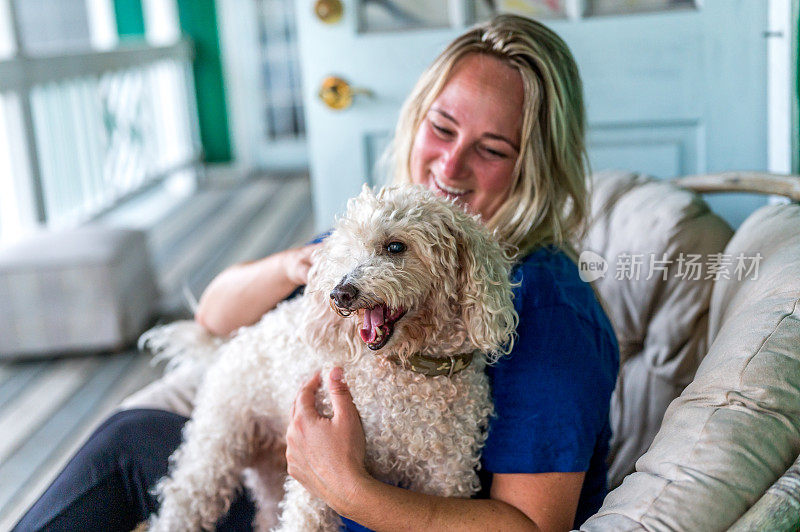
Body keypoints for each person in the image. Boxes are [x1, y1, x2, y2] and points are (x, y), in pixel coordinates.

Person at [14, 14, 618, 532]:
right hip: (284, 487)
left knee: (126, 448)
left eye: (492, 149)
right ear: (415, 118)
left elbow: (535, 526)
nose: (451, 165)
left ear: (535, 167)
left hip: (345, 509)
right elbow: (213, 315)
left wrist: (341, 484)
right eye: (441, 128)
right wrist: (289, 264)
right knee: (136, 434)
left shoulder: (545, 304)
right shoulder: (379, 235)